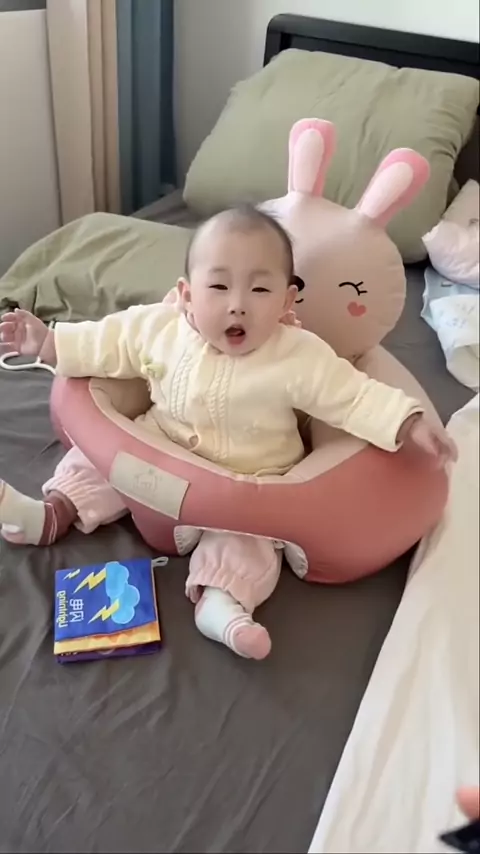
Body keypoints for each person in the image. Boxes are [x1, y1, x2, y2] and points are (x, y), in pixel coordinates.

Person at [0, 206, 457, 660]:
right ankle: (53, 512)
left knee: (250, 542)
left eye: (260, 289)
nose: (237, 303)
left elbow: (352, 396)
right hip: (158, 448)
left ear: (286, 302)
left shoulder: (298, 355)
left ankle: (222, 602)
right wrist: (48, 342)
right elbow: (105, 342)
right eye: (218, 287)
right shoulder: (157, 328)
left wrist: (407, 421)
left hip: (246, 483)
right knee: (93, 458)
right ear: (186, 294)